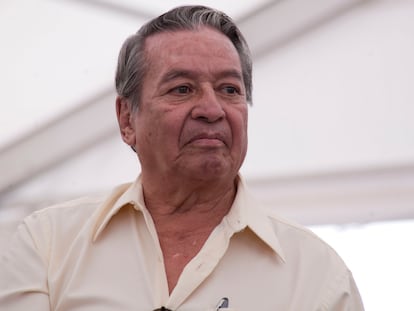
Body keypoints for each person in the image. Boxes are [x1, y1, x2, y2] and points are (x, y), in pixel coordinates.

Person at [0, 5, 364, 310]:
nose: (211, 108)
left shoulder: (316, 275)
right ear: (127, 119)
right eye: (182, 89)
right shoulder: (49, 246)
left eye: (229, 89)